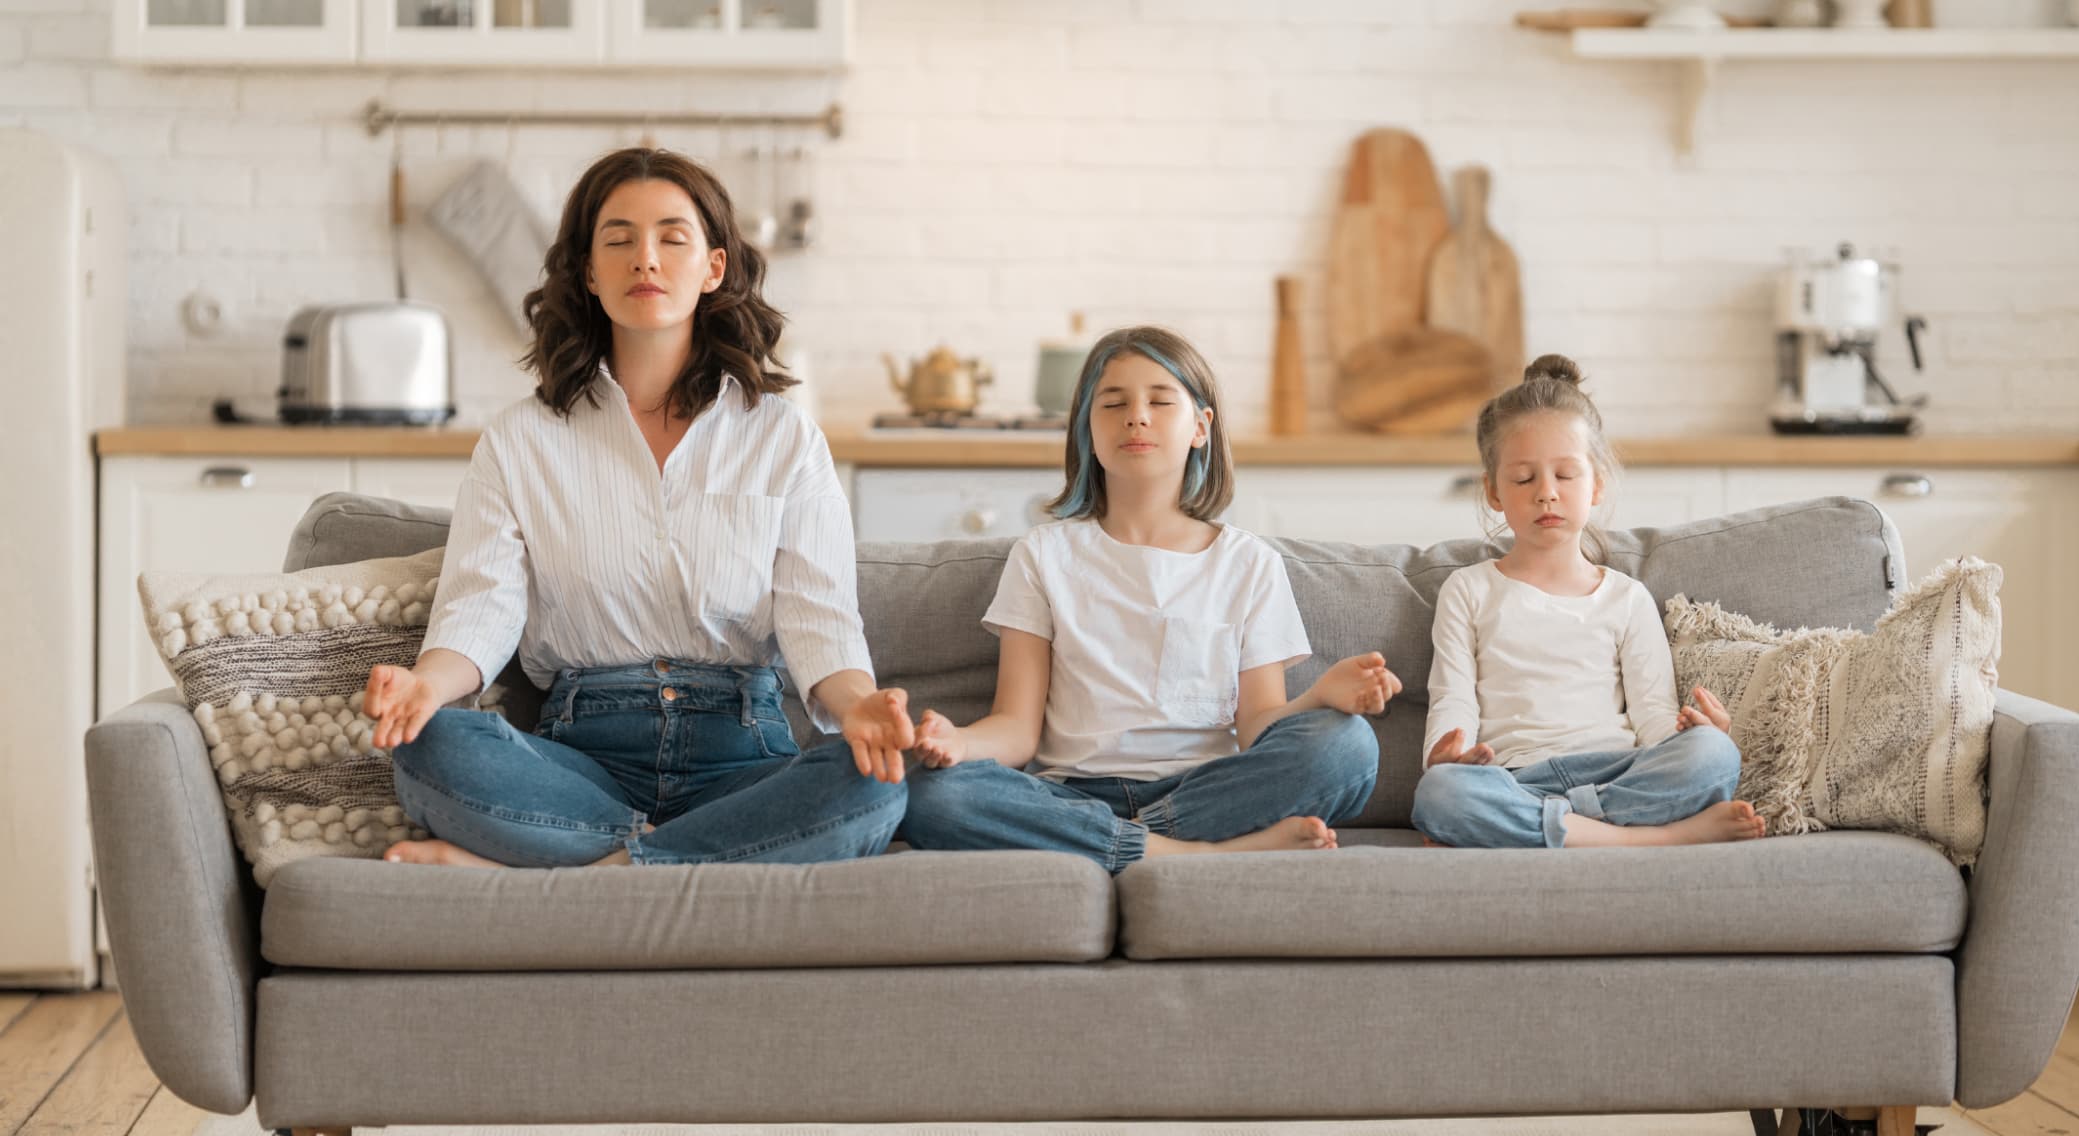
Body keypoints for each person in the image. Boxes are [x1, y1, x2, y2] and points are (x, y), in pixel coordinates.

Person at [362, 147, 911, 869]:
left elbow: (820, 623)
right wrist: (423, 687)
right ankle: (682, 864)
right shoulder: (521, 439)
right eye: (618, 240)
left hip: (743, 760)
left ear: (713, 268)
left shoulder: (783, 438)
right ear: (589, 272)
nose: (644, 259)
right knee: (432, 745)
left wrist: (858, 706)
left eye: (671, 238)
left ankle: (598, 868)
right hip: (584, 760)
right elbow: (481, 607)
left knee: (872, 790)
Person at [897, 325, 1396, 871]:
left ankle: (1121, 843)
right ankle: (1187, 854)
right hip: (1074, 792)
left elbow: (1258, 729)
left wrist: (1321, 697)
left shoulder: (1250, 564)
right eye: (1113, 403)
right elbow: (1016, 728)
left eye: (1160, 400)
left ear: (1201, 428)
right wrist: (960, 744)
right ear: (1088, 427)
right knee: (933, 793)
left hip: (1203, 791)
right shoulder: (1043, 554)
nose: (1137, 416)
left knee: (1346, 747)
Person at [1412, 354, 1761, 849]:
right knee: (1441, 793)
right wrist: (1446, 757)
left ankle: (1534, 830)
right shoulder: (1468, 590)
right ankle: (1652, 839)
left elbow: (1654, 716)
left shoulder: (1626, 598)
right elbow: (1454, 699)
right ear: (1493, 491)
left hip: (1616, 770)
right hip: (1514, 777)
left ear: (1596, 483)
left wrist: (1697, 737)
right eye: (1524, 478)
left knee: (1714, 756)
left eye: (1566, 475)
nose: (1546, 494)